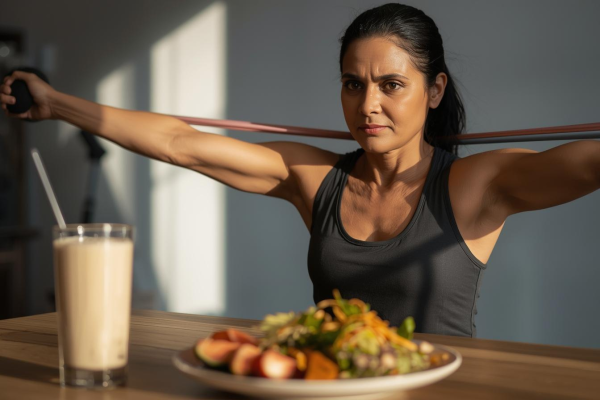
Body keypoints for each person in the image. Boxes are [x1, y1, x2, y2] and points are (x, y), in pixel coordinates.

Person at [1, 3, 599, 337]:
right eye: (353, 84)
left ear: (434, 89)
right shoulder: (318, 182)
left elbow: (586, 162)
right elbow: (182, 143)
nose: (368, 106)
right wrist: (57, 104)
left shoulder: (476, 186)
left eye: (392, 85)